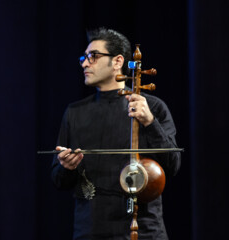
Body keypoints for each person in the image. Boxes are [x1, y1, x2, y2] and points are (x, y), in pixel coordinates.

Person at [51, 28, 181, 240]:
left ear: (118, 61)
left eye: (93, 56)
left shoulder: (152, 108)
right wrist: (66, 167)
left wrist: (149, 122)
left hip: (143, 230)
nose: (84, 63)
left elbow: (173, 165)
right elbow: (58, 180)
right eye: (84, 57)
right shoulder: (74, 112)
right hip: (91, 231)